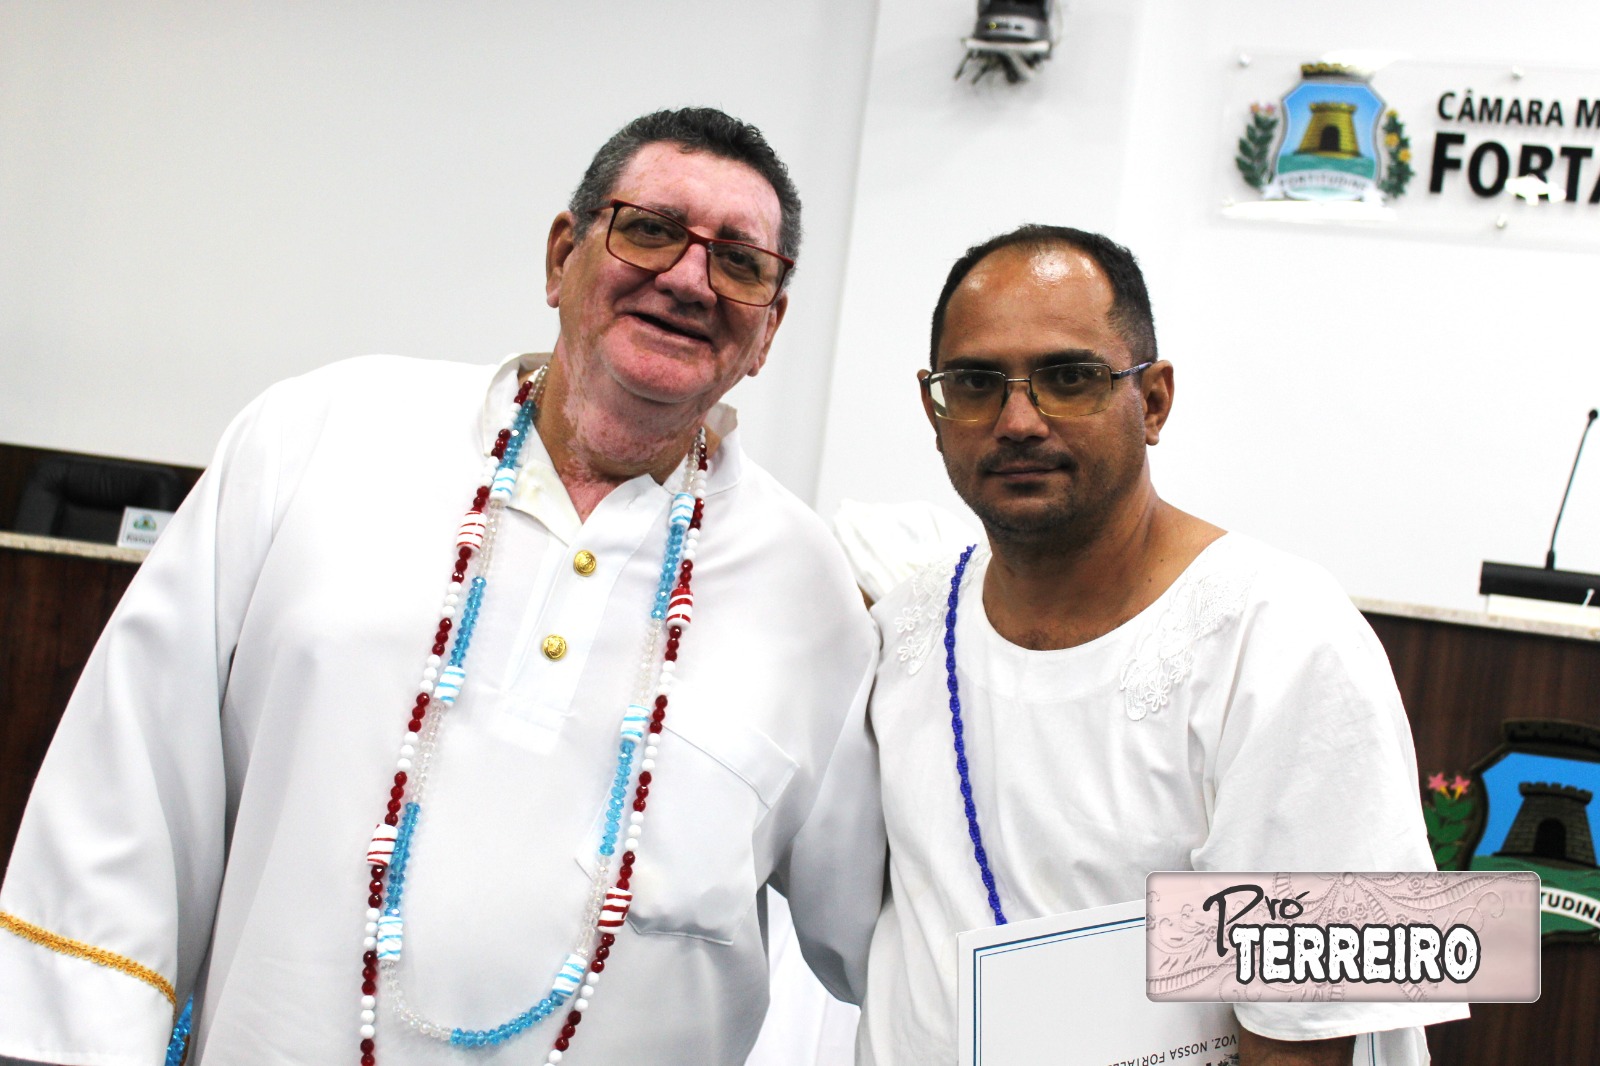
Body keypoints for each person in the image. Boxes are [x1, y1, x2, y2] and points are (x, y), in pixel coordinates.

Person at [0, 108, 882, 1066]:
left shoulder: (814, 597)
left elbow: (891, 932)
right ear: (562, 257)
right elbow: (130, 775)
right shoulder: (322, 435)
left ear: (768, 330)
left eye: (740, 262)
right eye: (650, 229)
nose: (688, 279)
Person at [858, 225, 1467, 1065]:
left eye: (1069, 378)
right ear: (934, 409)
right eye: (974, 383)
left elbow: (1304, 1031)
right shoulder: (905, 631)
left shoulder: (1280, 639)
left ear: (1153, 401)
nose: (1017, 421)